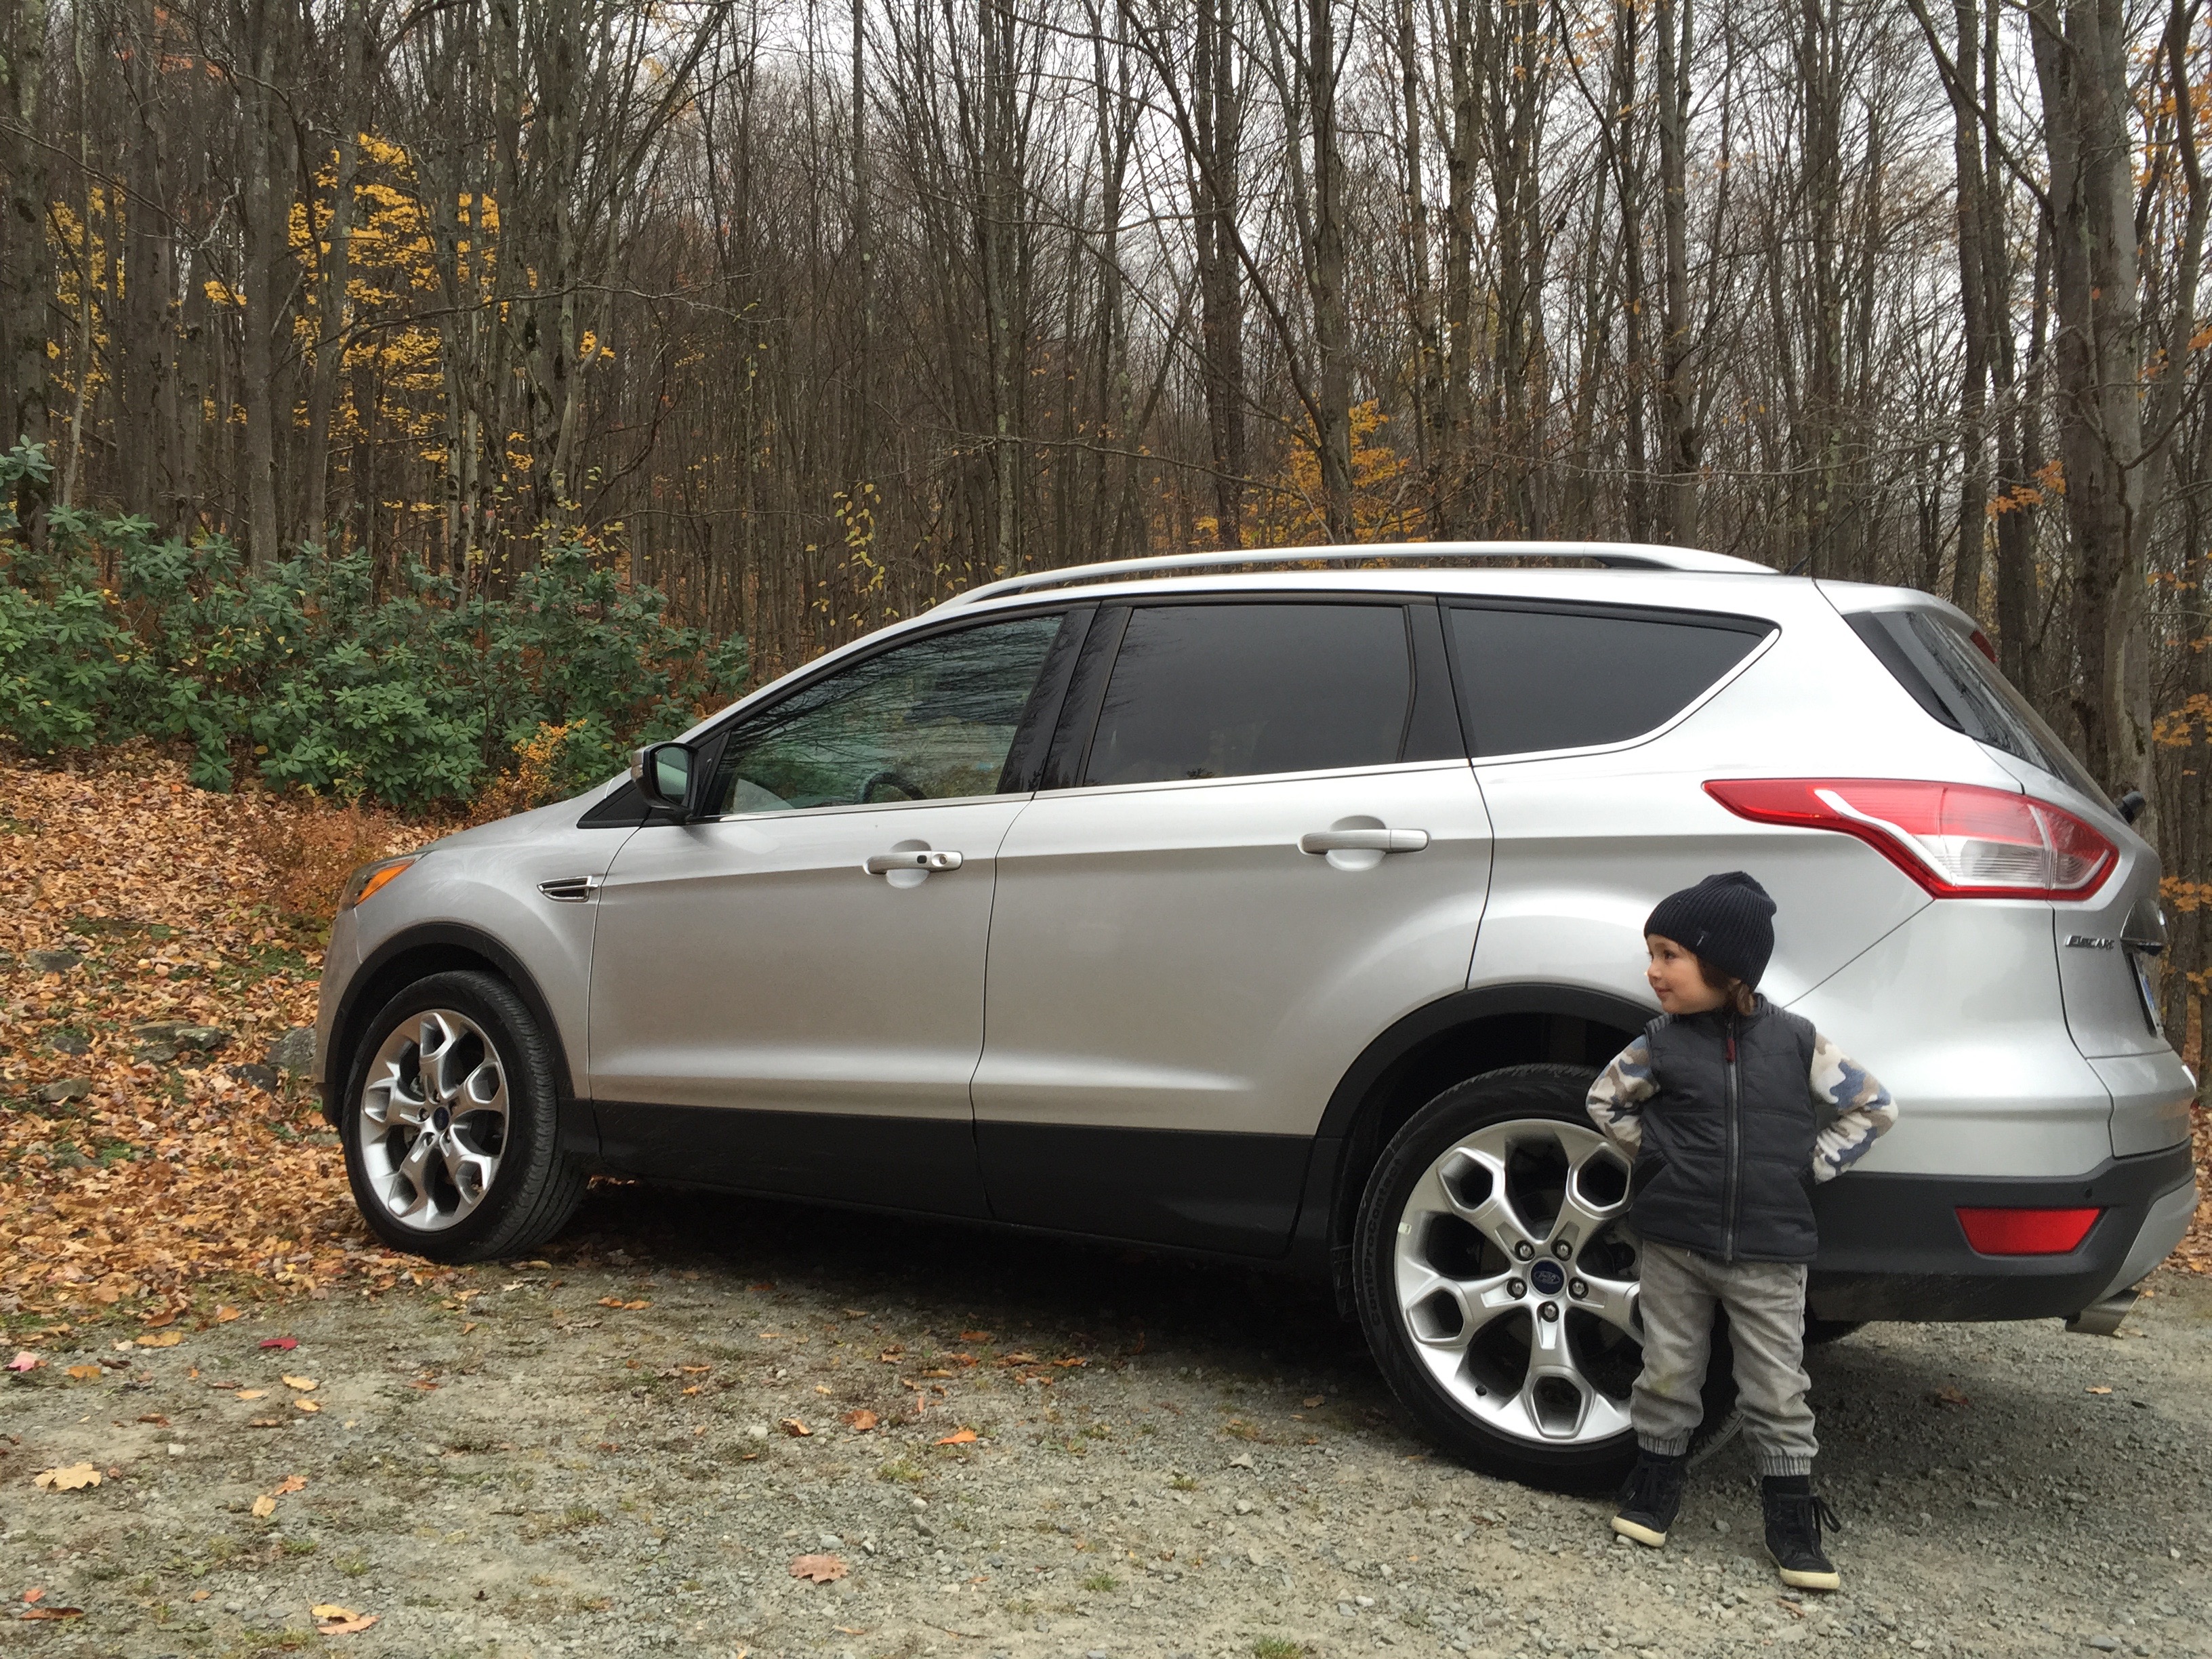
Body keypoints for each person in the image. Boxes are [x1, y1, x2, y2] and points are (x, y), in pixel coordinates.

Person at [1584, 870, 1896, 1591]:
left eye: (1669, 955)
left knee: (1775, 1385)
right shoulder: (1660, 1043)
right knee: (1668, 1367)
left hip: (1770, 1253)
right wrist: (1660, 1156)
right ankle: (1656, 1485)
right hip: (1674, 1243)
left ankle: (1791, 1514)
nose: (1652, 971)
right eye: (1652, 953)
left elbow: (1875, 1109)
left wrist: (1807, 1168)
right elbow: (1604, 1100)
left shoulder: (1796, 1042)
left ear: (1725, 966)